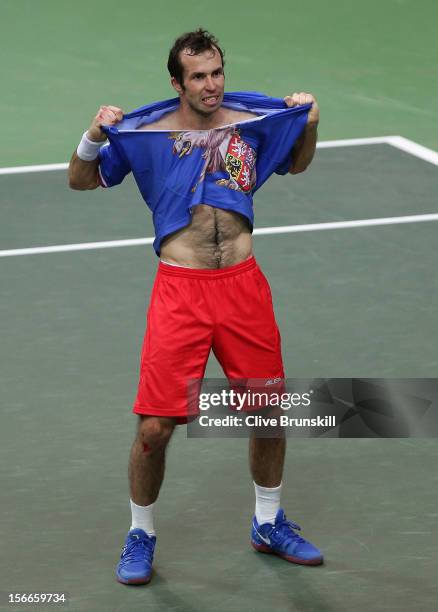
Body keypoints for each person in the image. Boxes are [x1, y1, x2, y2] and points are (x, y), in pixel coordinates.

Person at [68, 28, 322, 586]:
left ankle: (267, 521)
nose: (211, 85)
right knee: (155, 428)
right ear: (177, 83)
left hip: (243, 285)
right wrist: (92, 135)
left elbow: (297, 164)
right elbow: (80, 178)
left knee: (267, 413)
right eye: (199, 76)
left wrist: (310, 122)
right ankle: (141, 532)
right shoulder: (149, 133)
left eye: (217, 73)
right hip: (181, 291)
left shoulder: (250, 125)